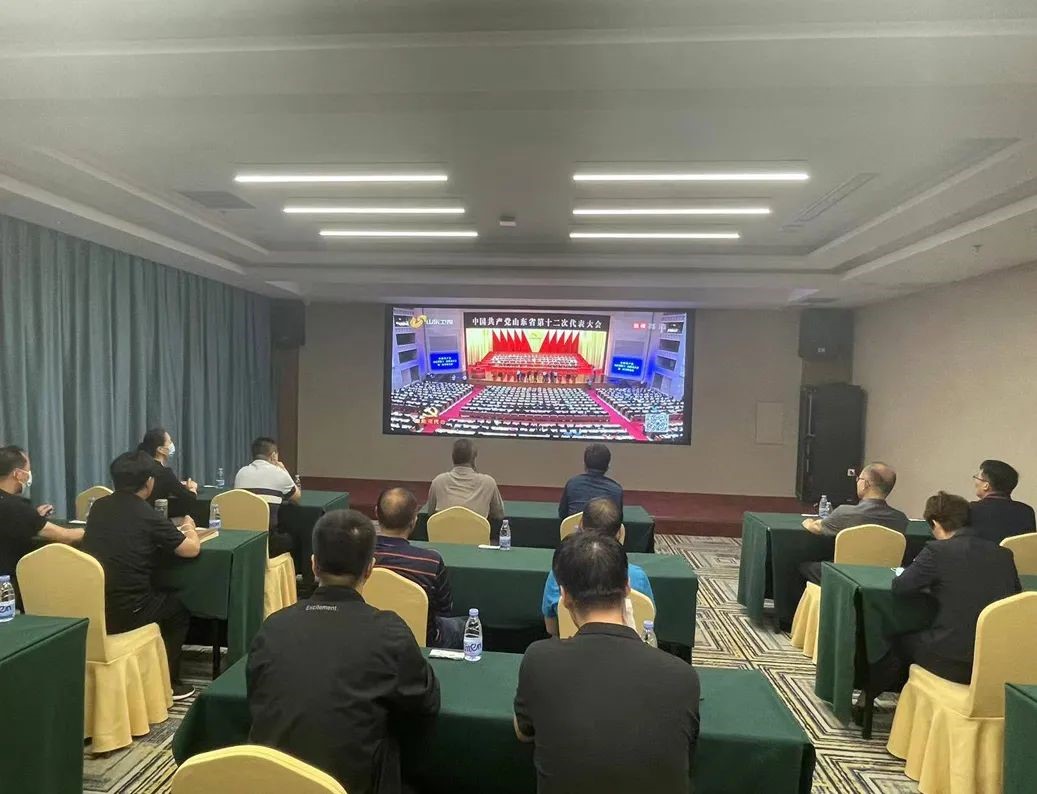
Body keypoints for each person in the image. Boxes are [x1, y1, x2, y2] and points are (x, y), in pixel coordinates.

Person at [247, 509, 440, 794]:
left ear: (313, 565)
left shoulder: (273, 627)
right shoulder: (389, 632)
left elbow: (256, 696)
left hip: (268, 783)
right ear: (370, 568)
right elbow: (425, 702)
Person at [514, 532, 700, 794]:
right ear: (628, 587)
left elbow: (523, 731)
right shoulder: (683, 676)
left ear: (564, 596)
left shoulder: (539, 659)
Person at [866, 491, 1021, 699]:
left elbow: (901, 586)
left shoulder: (937, 551)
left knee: (896, 640)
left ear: (935, 523)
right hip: (995, 658)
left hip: (953, 660)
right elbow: (1014, 598)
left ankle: (881, 701)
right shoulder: (1003, 554)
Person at [81, 451, 200, 699]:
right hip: (128, 611)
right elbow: (190, 550)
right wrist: (190, 528)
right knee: (177, 609)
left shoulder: (98, 507)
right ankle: (168, 683)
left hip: (93, 605)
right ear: (149, 482)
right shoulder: (147, 514)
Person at [542, 496, 653, 636]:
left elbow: (551, 628)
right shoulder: (638, 576)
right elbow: (648, 623)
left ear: (580, 526)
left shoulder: (558, 574)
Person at [374, 487, 466, 649]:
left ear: (376, 513)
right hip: (424, 640)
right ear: (414, 520)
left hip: (370, 636)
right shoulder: (431, 561)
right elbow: (445, 610)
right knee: (468, 627)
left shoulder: (358, 557)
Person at [0, 445, 84, 608]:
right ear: (17, 474)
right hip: (8, 586)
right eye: (27, 471)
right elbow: (65, 536)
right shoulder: (16, 507)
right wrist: (91, 529)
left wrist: (34, 517)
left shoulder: (17, 510)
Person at [800, 462, 909, 583]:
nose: (857, 482)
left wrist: (808, 522)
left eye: (859, 479)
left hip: (844, 576)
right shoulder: (901, 519)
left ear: (865, 484)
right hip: (882, 577)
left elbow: (816, 528)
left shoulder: (845, 512)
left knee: (804, 567)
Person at [233, 436, 299, 555]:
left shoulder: (241, 473)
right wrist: (284, 469)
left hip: (241, 539)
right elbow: (296, 497)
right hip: (268, 540)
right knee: (293, 538)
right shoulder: (279, 473)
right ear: (273, 456)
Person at [427, 439, 505, 523]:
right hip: (476, 531)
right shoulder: (489, 483)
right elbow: (499, 514)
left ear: (453, 457)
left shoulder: (438, 481)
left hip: (443, 531)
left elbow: (431, 513)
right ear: (474, 459)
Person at [970, 460, 1036, 545]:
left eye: (977, 477)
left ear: (986, 486)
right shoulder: (1027, 511)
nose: (975, 482)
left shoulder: (971, 509)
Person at [138, 427, 197, 519]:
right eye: (169, 442)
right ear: (160, 449)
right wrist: (192, 489)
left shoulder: (139, 466)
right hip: (154, 519)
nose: (172, 445)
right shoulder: (164, 473)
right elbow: (189, 499)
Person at [558, 443, 624, 519]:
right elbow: (618, 519)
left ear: (585, 465)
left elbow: (562, 514)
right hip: (604, 527)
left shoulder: (572, 484)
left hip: (575, 527)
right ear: (607, 467)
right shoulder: (616, 490)